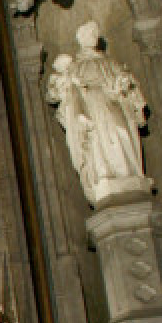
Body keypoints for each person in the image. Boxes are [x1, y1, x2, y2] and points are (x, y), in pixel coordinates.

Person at [45, 21, 148, 205]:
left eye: (94, 33)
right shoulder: (75, 66)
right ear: (81, 39)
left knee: (120, 133)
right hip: (91, 106)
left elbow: (127, 84)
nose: (92, 36)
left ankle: (128, 174)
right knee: (98, 142)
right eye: (88, 33)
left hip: (114, 104)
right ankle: (103, 176)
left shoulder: (110, 62)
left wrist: (124, 84)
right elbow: (56, 94)